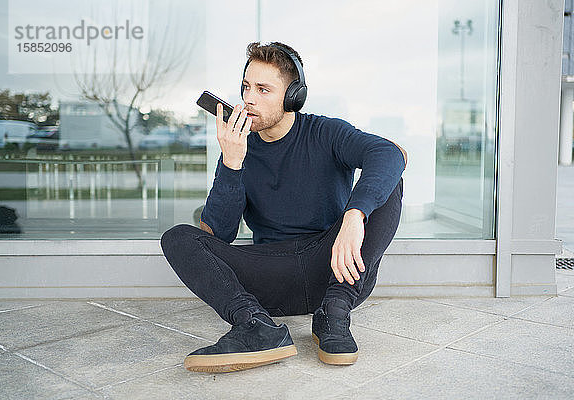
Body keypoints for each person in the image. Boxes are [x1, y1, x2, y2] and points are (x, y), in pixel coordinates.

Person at [160, 41, 407, 373]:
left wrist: (354, 215)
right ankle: (255, 326)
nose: (249, 99)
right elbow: (218, 235)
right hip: (270, 275)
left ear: (294, 96)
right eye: (247, 87)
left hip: (334, 268)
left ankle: (334, 315)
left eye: (263, 90)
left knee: (390, 181)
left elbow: (391, 154)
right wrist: (232, 165)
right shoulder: (239, 148)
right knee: (178, 237)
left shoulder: (326, 132)